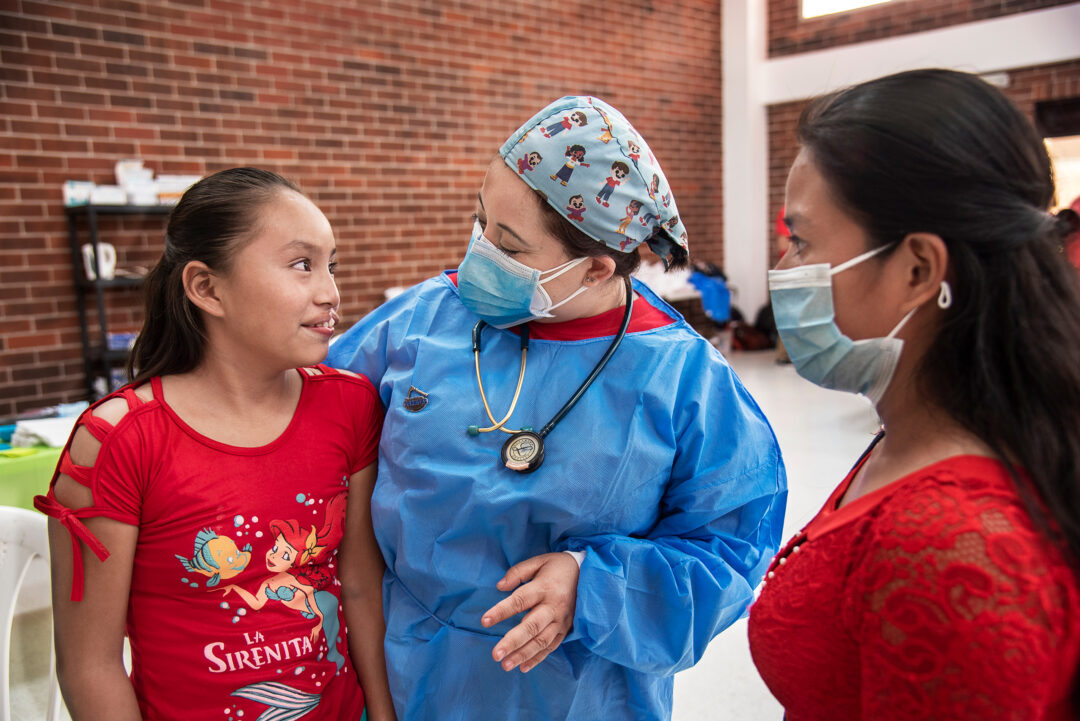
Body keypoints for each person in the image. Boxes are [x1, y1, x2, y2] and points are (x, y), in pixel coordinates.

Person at [328, 96, 787, 720]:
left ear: (595, 269)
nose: (479, 255)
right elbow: (307, 424)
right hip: (404, 673)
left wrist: (593, 584)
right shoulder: (419, 321)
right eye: (480, 222)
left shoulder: (684, 380)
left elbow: (729, 552)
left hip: (578, 692)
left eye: (510, 248)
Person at [748, 69, 1080, 720]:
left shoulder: (951, 546)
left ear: (917, 269)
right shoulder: (913, 432)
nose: (783, 270)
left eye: (802, 242)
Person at [35, 168, 396, 721]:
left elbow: (363, 592)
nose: (331, 294)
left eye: (332, 266)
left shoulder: (350, 406)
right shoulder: (120, 440)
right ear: (206, 288)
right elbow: (91, 665)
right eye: (302, 265)